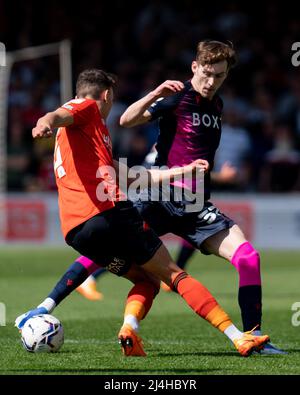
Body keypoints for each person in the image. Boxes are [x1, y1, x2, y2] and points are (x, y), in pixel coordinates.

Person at [15, 68, 270, 358]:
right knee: (174, 275)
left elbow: (131, 176)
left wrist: (182, 171)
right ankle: (238, 337)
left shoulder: (86, 139)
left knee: (146, 281)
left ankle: (126, 328)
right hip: (110, 213)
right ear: (107, 95)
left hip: (76, 232)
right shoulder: (86, 109)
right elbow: (58, 114)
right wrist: (43, 123)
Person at [117, 39, 285, 354]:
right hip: (162, 195)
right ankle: (48, 305)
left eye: (219, 76)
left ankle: (254, 337)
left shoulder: (216, 106)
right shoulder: (177, 97)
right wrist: (154, 94)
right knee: (109, 244)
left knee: (249, 258)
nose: (211, 82)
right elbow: (126, 121)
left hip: (196, 205)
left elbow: (197, 158)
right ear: (195, 67)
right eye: (207, 73)